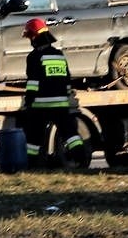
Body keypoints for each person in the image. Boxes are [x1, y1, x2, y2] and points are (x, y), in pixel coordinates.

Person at [21, 18, 86, 167]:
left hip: (40, 106)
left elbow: (33, 83)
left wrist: (28, 103)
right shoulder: (59, 55)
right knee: (70, 134)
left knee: (33, 137)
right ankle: (81, 159)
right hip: (61, 104)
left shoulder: (34, 57)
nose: (30, 40)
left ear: (35, 36)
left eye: (30, 36)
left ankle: (30, 165)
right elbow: (67, 79)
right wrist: (67, 96)